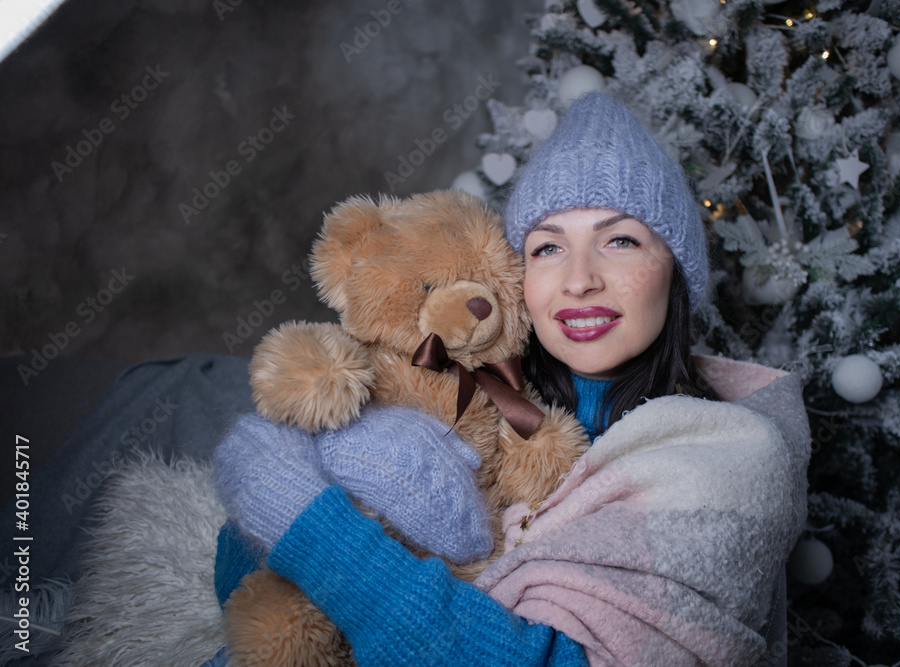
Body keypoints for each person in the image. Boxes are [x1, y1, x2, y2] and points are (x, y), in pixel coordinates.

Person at [208, 92, 811, 666]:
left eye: (620, 240)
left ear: (676, 274)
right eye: (548, 248)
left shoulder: (729, 463)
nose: (579, 280)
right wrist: (320, 463)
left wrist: (316, 529)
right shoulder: (473, 401)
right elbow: (248, 585)